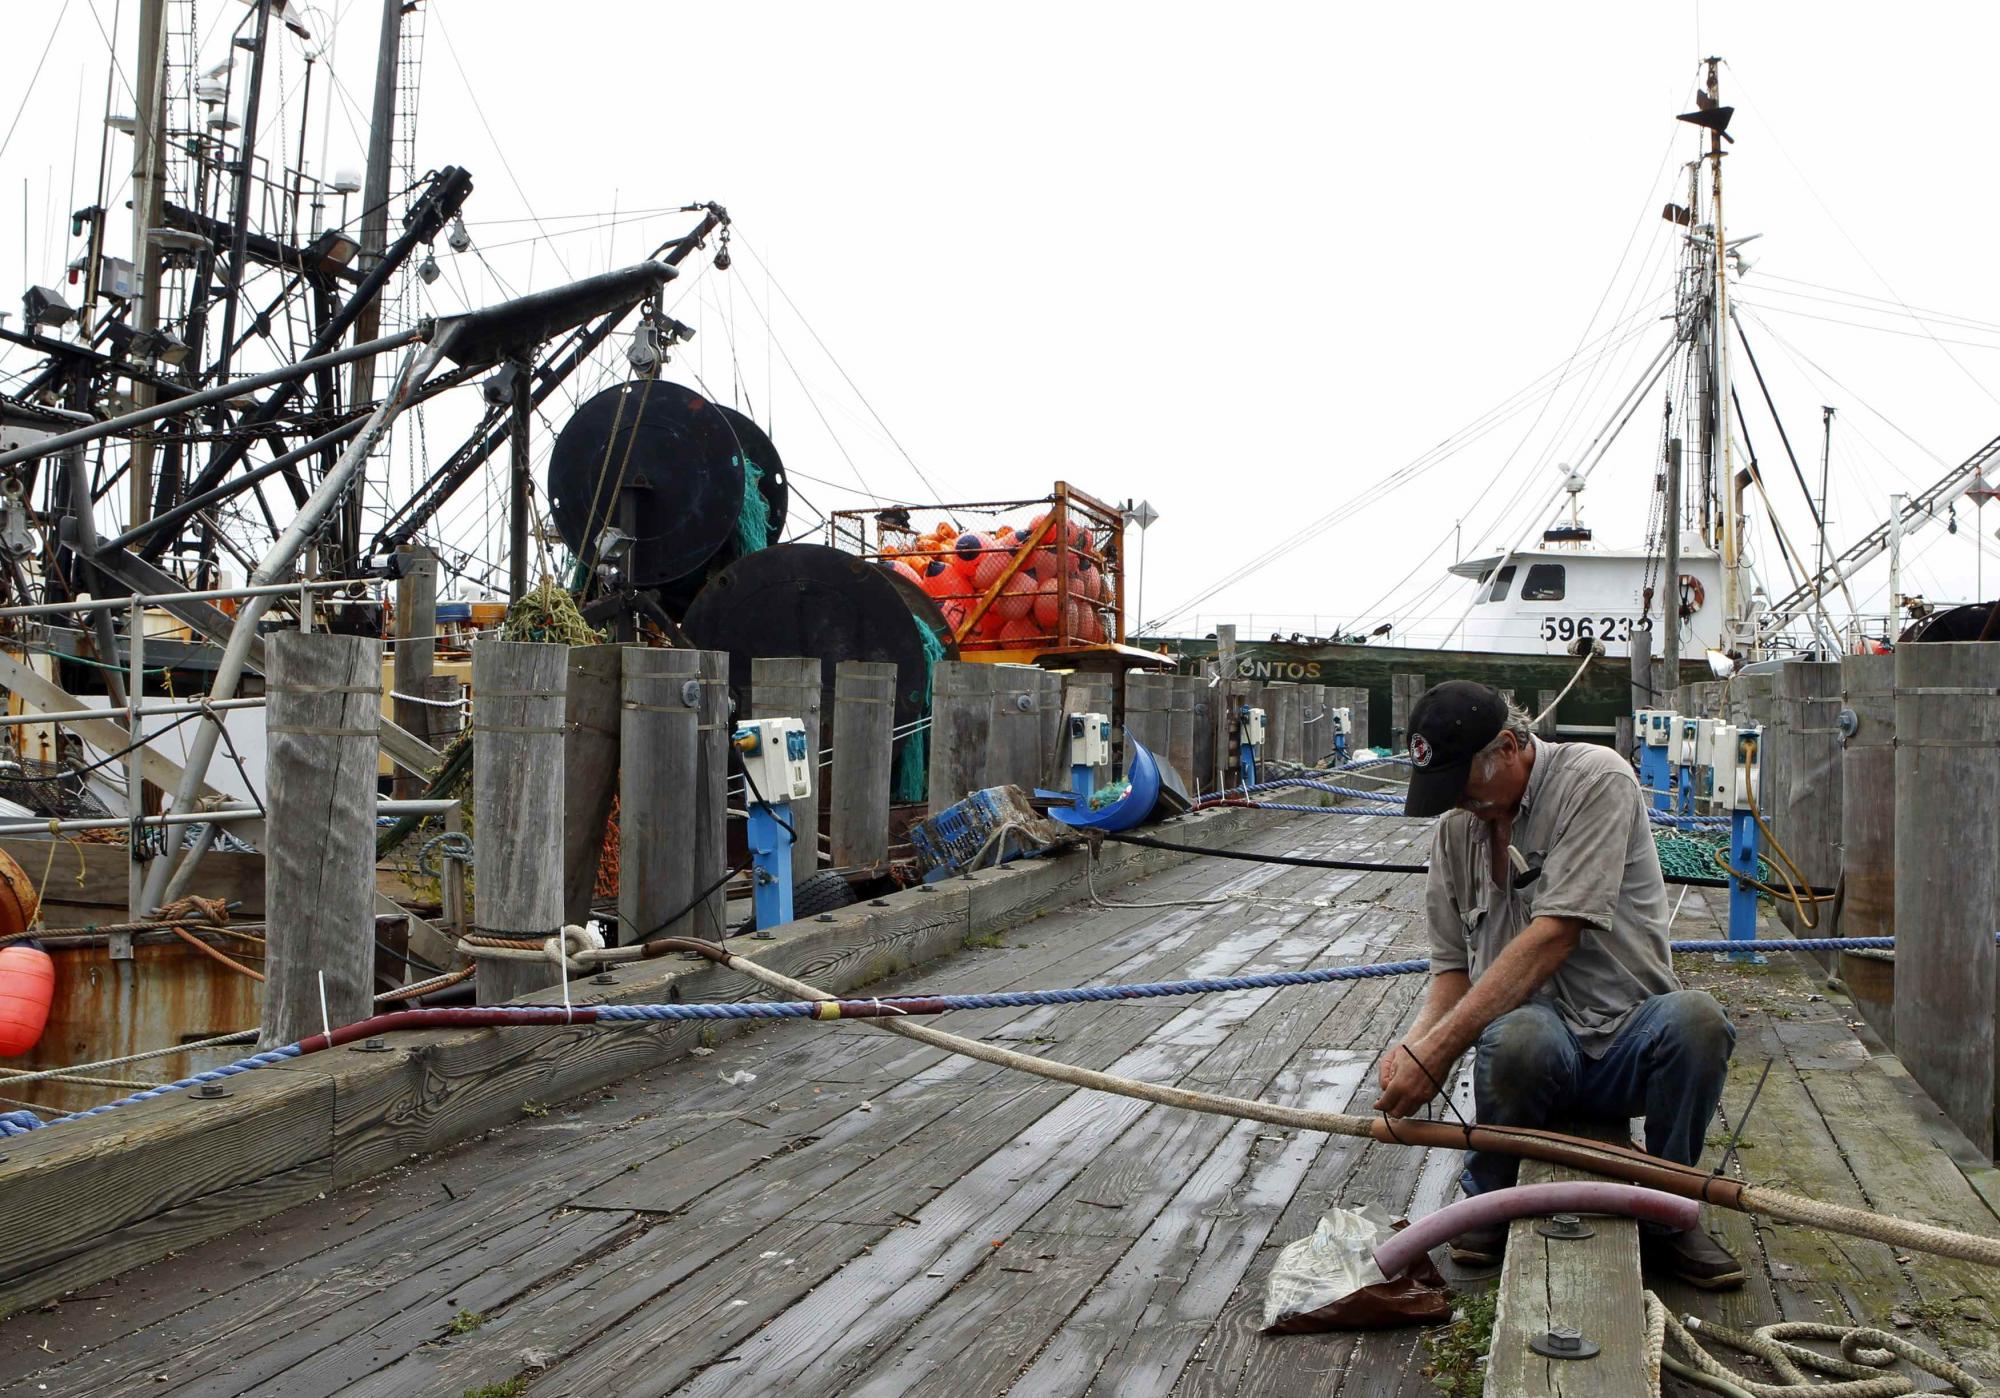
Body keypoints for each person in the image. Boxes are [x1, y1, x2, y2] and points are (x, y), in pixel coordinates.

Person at [1373, 680, 1742, 1289]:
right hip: (1531, 1053)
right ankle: (1489, 1198)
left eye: (1464, 783)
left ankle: (1669, 1205)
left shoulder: (1596, 779)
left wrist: (1438, 1054)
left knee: (1698, 1021)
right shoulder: (1456, 832)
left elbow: (1556, 934)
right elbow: (1451, 968)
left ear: (1509, 746)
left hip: (1626, 1041)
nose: (1458, 802)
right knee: (1520, 1036)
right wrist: (1415, 1047)